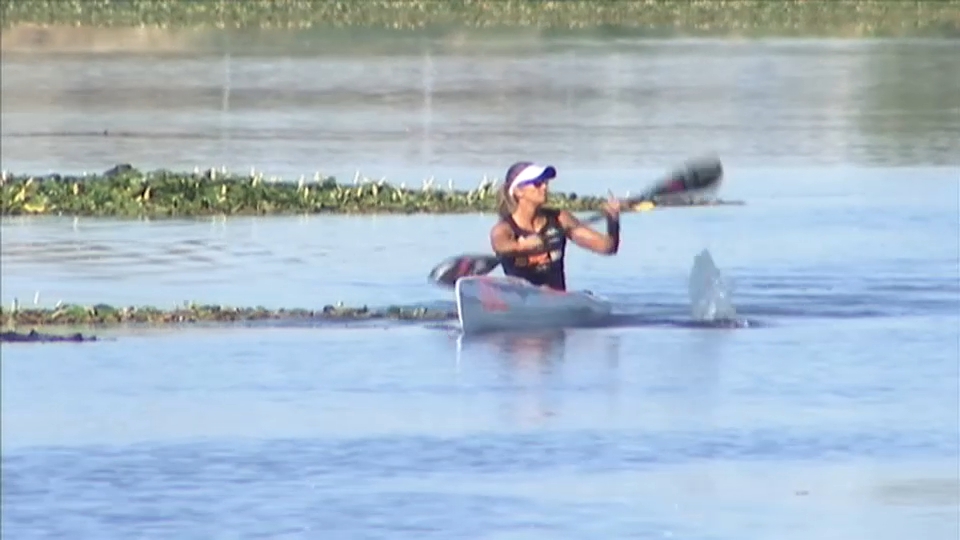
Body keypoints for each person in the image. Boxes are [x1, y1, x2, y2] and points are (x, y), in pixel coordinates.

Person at [490, 161, 621, 292]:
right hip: (522, 301)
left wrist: (613, 220)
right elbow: (500, 245)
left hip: (557, 299)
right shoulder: (505, 228)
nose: (545, 187)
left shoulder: (560, 219)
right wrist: (521, 246)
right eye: (537, 184)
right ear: (519, 191)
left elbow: (608, 247)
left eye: (545, 183)